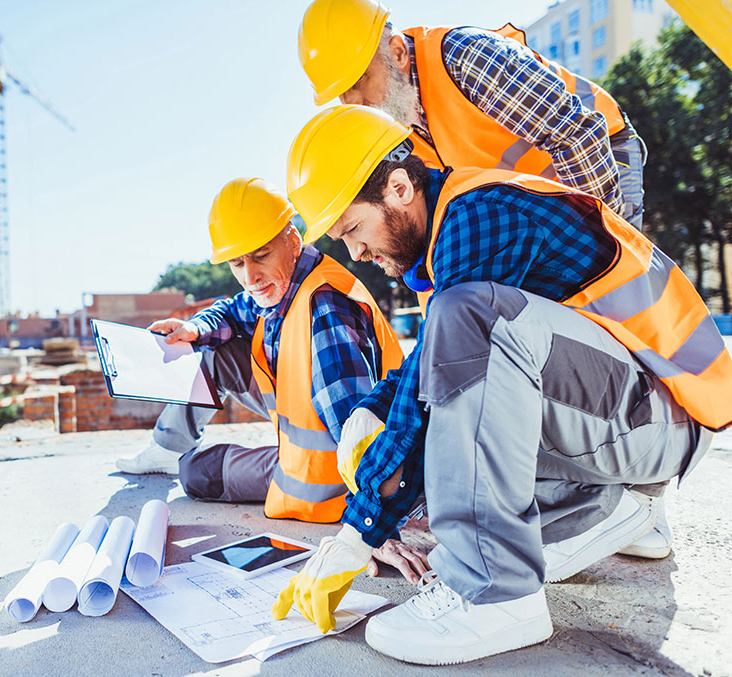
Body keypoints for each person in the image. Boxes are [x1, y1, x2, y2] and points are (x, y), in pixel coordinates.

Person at [271, 105, 729, 665]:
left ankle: (497, 595)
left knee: (467, 328)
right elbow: (428, 375)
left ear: (397, 188)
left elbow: (442, 376)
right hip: (629, 419)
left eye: (352, 230)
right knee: (443, 416)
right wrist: (373, 410)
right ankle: (602, 509)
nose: (357, 254)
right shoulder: (455, 223)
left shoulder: (479, 217)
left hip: (662, 422)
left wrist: (359, 530)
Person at [115, 177, 405, 526]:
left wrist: (375, 520)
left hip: (326, 479)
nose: (251, 276)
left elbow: (354, 429)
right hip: (305, 437)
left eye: (261, 256)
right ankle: (164, 449)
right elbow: (234, 309)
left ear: (293, 241)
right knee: (216, 351)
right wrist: (194, 328)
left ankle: (180, 457)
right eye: (237, 264)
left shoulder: (325, 308)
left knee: (194, 472)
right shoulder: (285, 284)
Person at [298, 0, 647, 231]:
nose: (356, 103)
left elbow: (575, 134)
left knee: (619, 287)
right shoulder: (398, 130)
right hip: (544, 195)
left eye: (360, 81)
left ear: (398, 52)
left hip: (600, 152)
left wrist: (605, 240)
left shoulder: (464, 57)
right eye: (342, 95)